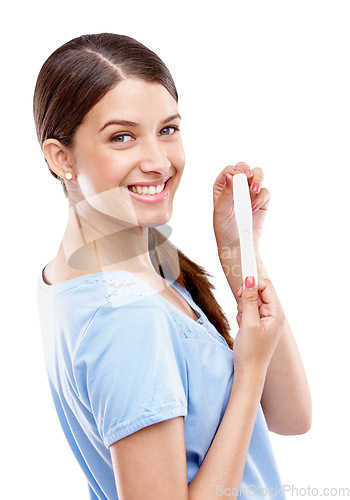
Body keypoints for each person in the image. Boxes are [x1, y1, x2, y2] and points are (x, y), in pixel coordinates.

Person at [35, 33, 312, 499]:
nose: (159, 161)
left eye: (167, 129)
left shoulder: (123, 262)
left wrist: (240, 256)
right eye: (122, 137)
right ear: (61, 157)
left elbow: (292, 417)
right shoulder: (126, 316)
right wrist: (246, 374)